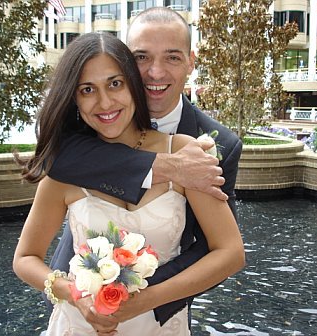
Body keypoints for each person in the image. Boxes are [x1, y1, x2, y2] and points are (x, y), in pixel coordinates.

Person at [13, 31, 244, 336]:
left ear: (133, 85)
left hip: (160, 324)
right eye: (87, 89)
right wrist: (75, 295)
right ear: (74, 98)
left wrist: (142, 302)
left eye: (115, 83)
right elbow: (25, 258)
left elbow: (230, 252)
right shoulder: (65, 168)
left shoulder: (186, 153)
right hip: (78, 324)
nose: (104, 102)